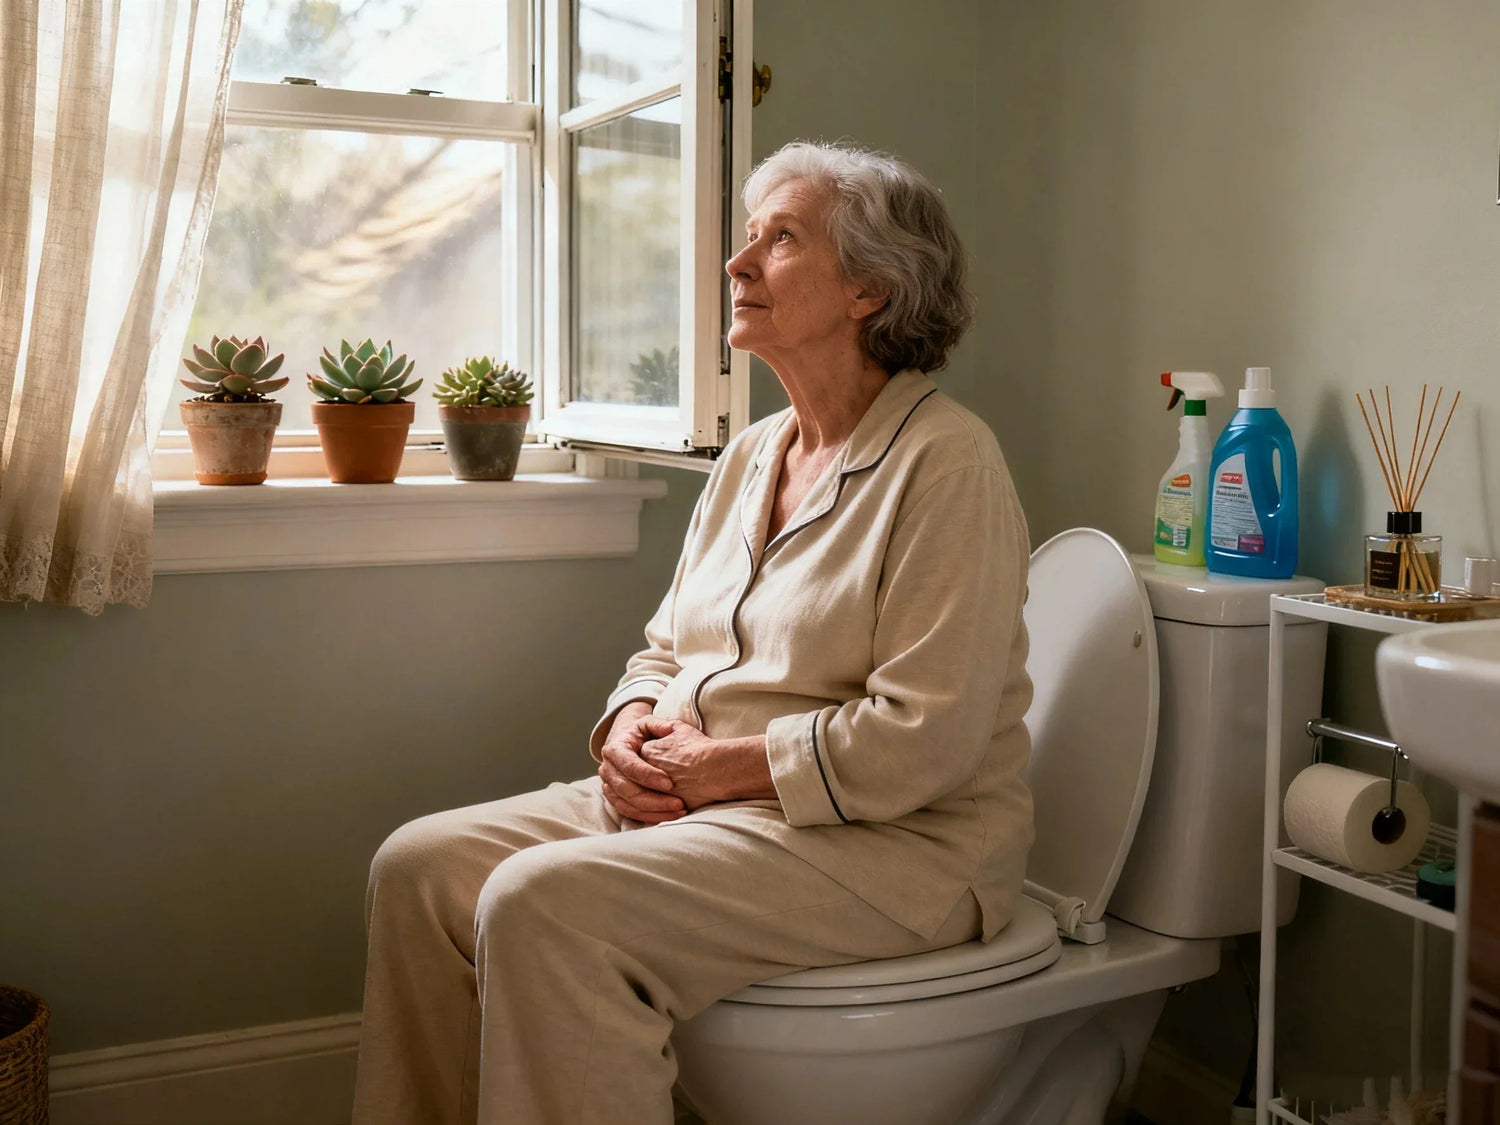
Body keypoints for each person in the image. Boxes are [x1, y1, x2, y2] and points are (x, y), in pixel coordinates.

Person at [351, 140, 1035, 1125]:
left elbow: (924, 737)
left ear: (870, 290)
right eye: (748, 236)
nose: (737, 262)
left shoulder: (948, 465)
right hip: (707, 805)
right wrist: (628, 728)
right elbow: (668, 649)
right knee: (420, 868)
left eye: (780, 239)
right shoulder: (753, 455)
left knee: (545, 904)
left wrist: (717, 771)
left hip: (898, 846)